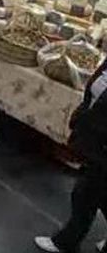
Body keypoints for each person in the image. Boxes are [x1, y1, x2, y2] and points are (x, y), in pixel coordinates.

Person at [34, 57, 107, 253]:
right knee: (99, 193)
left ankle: (66, 242)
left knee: (85, 193)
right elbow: (94, 94)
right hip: (95, 139)